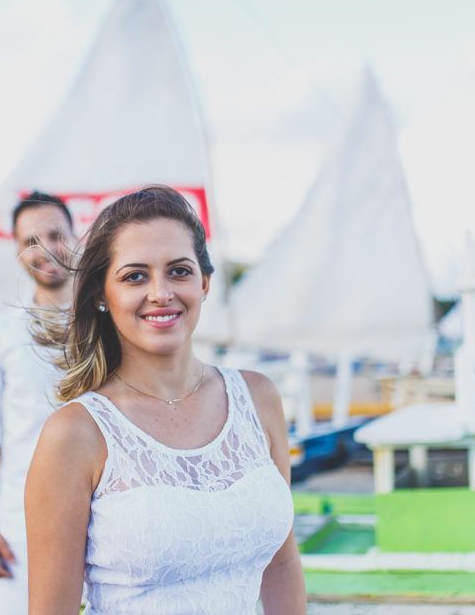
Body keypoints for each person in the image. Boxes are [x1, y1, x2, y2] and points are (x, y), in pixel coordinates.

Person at [25, 186, 305, 614]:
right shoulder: (75, 434)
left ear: (204, 283)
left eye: (179, 271)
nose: (160, 292)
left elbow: (281, 563)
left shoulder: (259, 398)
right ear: (101, 294)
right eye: (135, 276)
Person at [0, 191, 75, 614]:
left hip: (107, 516)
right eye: (31, 241)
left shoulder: (111, 322)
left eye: (56, 235)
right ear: (17, 251)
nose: (45, 249)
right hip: (22, 523)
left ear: (75, 238)